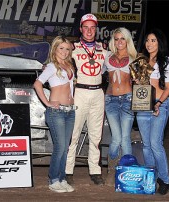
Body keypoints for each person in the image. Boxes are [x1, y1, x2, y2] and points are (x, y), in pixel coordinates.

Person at [65, 13, 107, 186]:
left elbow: (112, 67)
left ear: (96, 29)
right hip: (80, 92)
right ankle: (68, 170)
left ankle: (95, 171)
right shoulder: (72, 48)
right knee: (73, 135)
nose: (89, 31)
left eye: (92, 28)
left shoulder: (104, 48)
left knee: (96, 135)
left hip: (98, 93)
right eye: (86, 27)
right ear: (81, 29)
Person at [34, 36, 76, 193]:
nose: (64, 52)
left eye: (67, 49)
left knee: (65, 148)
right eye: (61, 48)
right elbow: (37, 84)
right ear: (55, 49)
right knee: (60, 147)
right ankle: (53, 179)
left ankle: (62, 178)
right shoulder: (51, 66)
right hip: (56, 112)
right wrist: (47, 103)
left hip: (70, 111)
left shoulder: (69, 65)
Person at [136, 28, 169, 195]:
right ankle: (151, 177)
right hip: (143, 106)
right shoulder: (141, 61)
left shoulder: (166, 61)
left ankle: (164, 180)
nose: (149, 43)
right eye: (147, 41)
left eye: (153, 40)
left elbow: (168, 87)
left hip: (160, 105)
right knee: (146, 146)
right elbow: (139, 85)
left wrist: (159, 103)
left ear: (159, 42)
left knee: (156, 144)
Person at [103, 27, 137, 186]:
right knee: (116, 138)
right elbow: (93, 71)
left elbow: (142, 81)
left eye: (122, 38)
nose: (119, 42)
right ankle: (111, 169)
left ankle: (127, 173)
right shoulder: (107, 56)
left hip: (128, 100)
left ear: (127, 40)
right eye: (116, 39)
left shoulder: (134, 58)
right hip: (110, 100)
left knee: (125, 138)